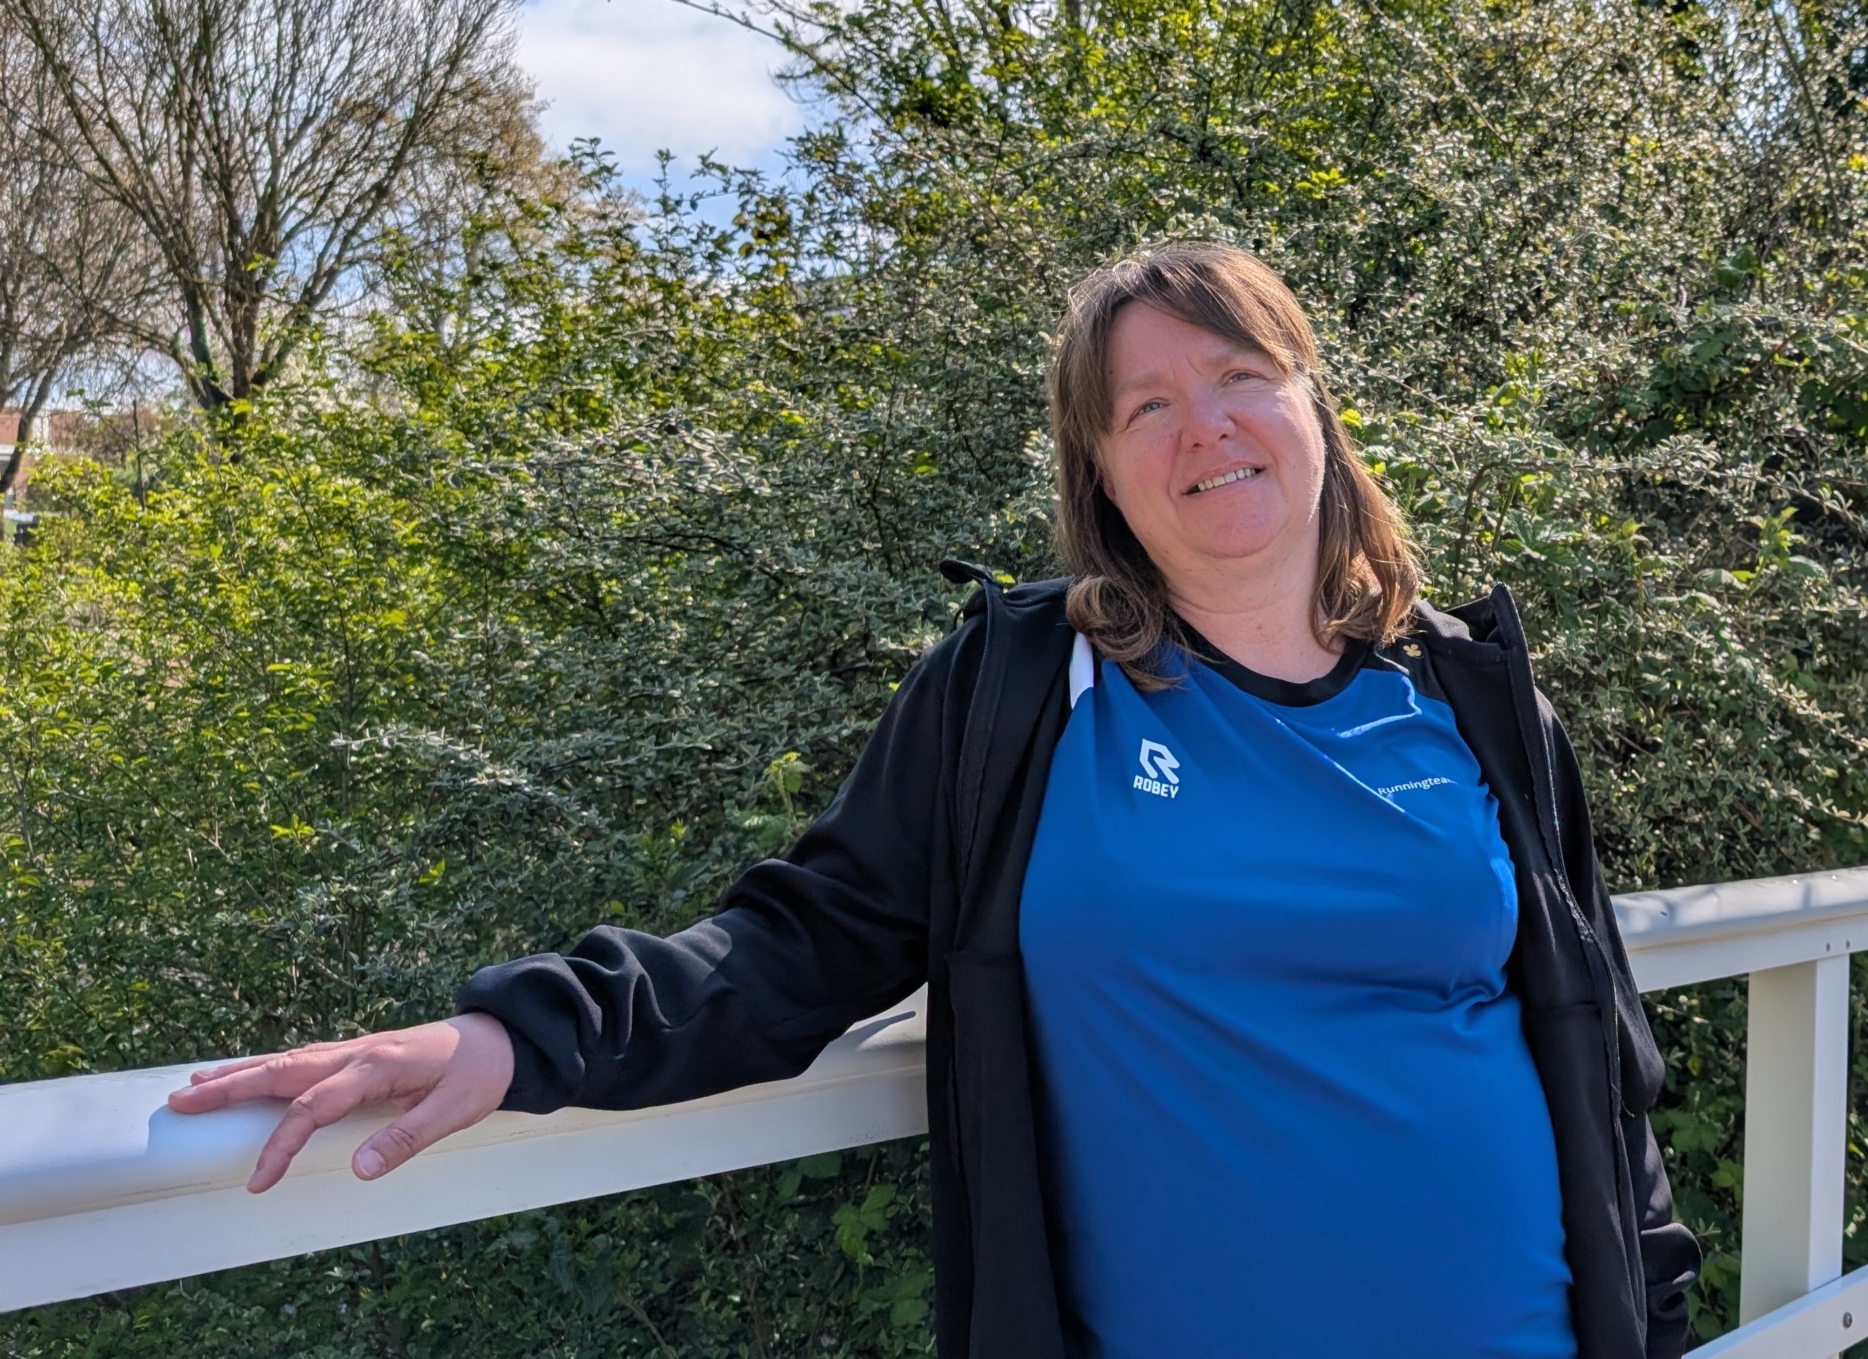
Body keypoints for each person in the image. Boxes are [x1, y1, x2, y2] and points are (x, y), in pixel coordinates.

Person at [170, 242, 1702, 1359]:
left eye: (1242, 378)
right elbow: (804, 939)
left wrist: (1657, 1300)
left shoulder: (1472, 694)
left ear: (1315, 410)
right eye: (1147, 406)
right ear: (1100, 468)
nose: (1206, 428)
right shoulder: (1026, 692)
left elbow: (1592, 1038)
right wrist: (518, 1033)